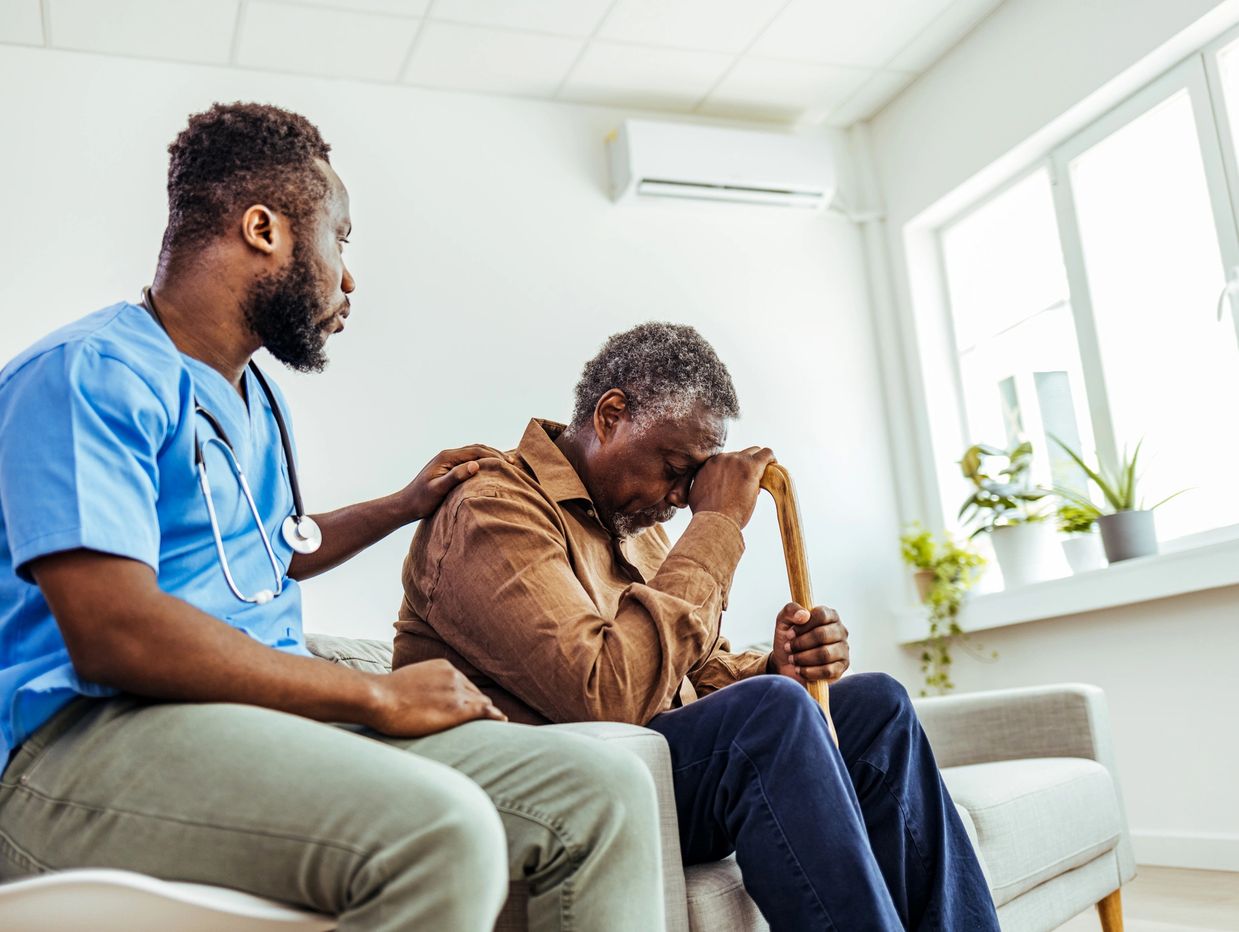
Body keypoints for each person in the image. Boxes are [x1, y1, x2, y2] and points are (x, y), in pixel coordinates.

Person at [0, 103, 666, 932]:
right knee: (440, 830)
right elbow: (116, 632)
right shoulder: (87, 376)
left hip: (248, 717)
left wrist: (397, 507)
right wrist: (372, 696)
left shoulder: (255, 395)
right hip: (79, 739)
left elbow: (273, 552)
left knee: (600, 793)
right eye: (339, 239)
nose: (347, 277)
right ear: (263, 230)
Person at [394, 321, 1002, 931]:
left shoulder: (641, 528)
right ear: (611, 416)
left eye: (694, 479)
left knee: (878, 706)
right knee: (771, 714)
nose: (683, 496)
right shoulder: (491, 509)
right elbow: (604, 694)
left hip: (653, 763)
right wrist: (717, 526)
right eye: (674, 466)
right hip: (559, 777)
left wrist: (776, 666)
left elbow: (693, 675)